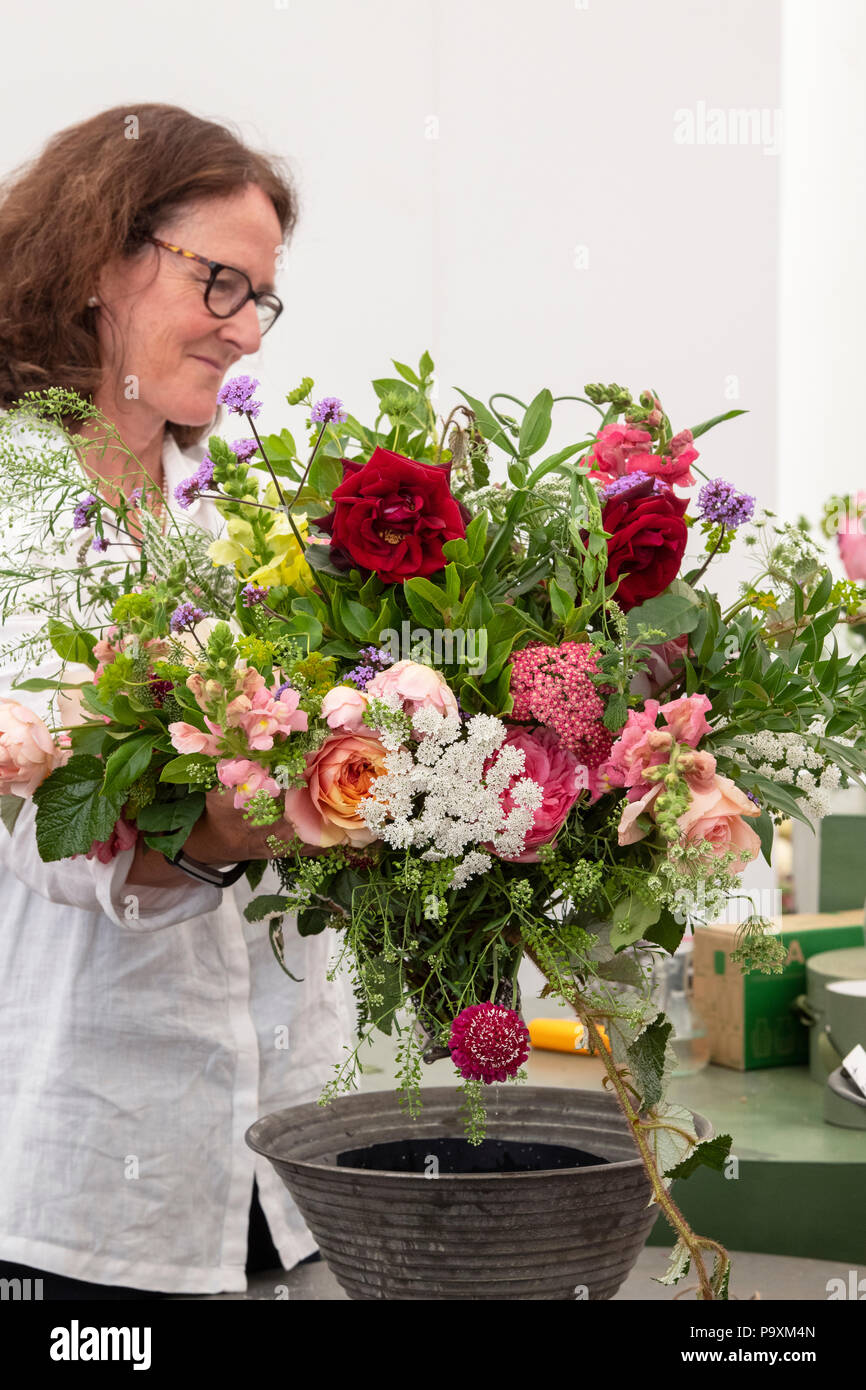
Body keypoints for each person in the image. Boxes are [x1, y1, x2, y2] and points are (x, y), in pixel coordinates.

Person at [0, 103, 355, 1298]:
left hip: (284, 1166)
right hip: (88, 1182)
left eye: (262, 297)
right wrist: (233, 827)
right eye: (221, 285)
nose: (247, 330)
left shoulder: (238, 522)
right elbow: (44, 836)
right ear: (104, 258)